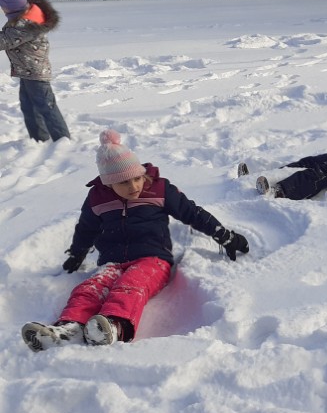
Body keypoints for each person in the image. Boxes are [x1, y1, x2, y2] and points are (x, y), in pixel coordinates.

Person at [21, 129, 249, 351]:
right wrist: (77, 253)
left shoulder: (159, 189)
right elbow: (86, 228)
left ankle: (115, 325)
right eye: (124, 183)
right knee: (89, 289)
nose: (134, 187)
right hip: (112, 261)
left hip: (153, 260)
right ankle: (69, 328)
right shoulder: (97, 198)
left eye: (137, 178)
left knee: (130, 285)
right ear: (109, 183)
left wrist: (224, 236)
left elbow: (192, 213)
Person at [0, 0, 70, 143]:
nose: (1, 9)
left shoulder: (24, 25)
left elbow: (5, 41)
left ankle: (62, 140)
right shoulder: (21, 18)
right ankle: (39, 139)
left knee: (46, 107)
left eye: (2, 6)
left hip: (35, 73)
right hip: (27, 72)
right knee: (29, 107)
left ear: (10, 7)